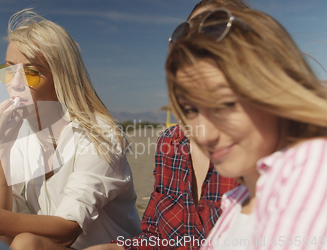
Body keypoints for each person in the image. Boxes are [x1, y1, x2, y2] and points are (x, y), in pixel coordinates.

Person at [0, 9, 141, 250]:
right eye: (9, 70)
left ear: (61, 78)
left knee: (24, 243)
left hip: (107, 246)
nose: (15, 83)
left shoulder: (99, 134)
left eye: (31, 73)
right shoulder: (21, 131)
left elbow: (67, 229)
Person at [85, 1, 246, 250]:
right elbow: (155, 236)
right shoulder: (171, 142)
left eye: (217, 28)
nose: (200, 48)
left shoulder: (267, 145)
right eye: (189, 35)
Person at [166, 7, 327, 250]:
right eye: (191, 110)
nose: (205, 134)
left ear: (275, 89)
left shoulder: (313, 162)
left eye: (225, 104)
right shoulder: (237, 200)